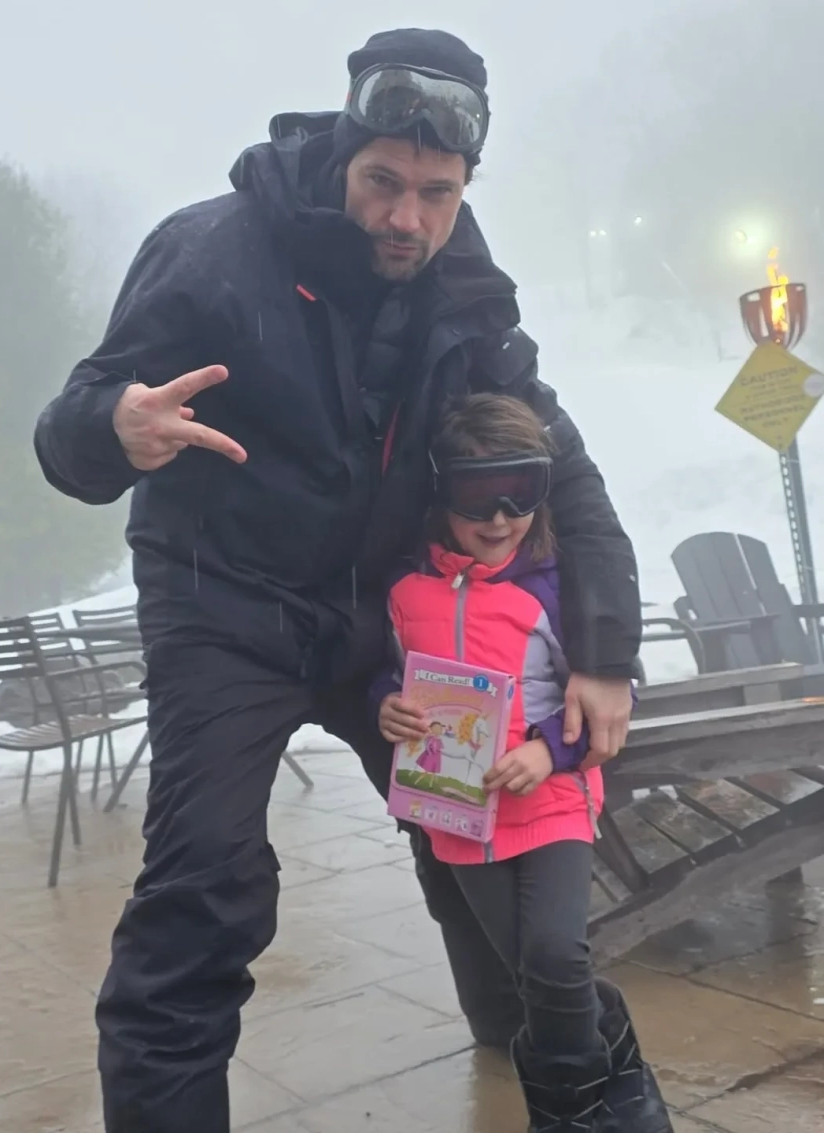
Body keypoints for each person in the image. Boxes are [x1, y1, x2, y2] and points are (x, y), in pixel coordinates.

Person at [33, 27, 642, 1133]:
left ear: (464, 187)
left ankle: (582, 1085)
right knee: (205, 883)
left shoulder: (467, 297)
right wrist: (112, 426)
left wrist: (604, 655)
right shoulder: (211, 251)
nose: (406, 216)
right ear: (342, 155)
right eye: (383, 183)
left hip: (385, 623)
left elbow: (565, 471)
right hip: (225, 608)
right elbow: (72, 424)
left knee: (484, 849)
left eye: (436, 192)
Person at [377, 393, 670, 1132]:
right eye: (478, 493)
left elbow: (611, 691)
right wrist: (386, 704)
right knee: (531, 973)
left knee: (556, 956)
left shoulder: (553, 587)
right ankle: (618, 1058)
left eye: (522, 491)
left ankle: (572, 1117)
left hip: (552, 800)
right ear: (441, 491)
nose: (501, 515)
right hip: (457, 812)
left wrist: (549, 749)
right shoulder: (404, 590)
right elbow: (385, 670)